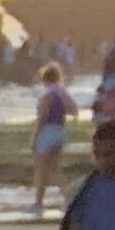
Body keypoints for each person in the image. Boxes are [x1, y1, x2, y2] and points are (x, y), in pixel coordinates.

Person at [29, 65, 77, 217]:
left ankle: (38, 203)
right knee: (54, 169)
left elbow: (42, 117)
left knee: (41, 169)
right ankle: (69, 195)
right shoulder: (62, 92)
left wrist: (35, 136)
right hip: (60, 131)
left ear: (46, 79)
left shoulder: (47, 94)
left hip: (47, 132)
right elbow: (73, 110)